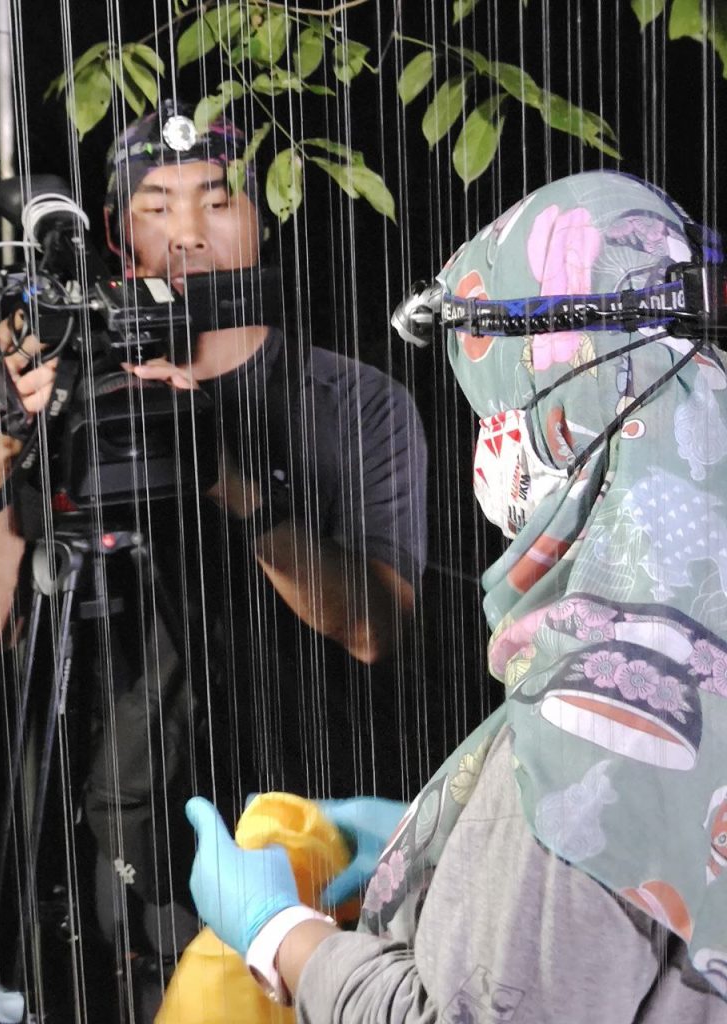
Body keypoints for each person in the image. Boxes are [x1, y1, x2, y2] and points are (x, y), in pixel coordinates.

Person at [185, 170, 727, 1022]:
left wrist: (278, 933)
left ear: (559, 402)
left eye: (492, 410)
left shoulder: (604, 713)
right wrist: (461, 835)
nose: (487, 443)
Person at [0, 101, 427, 1013]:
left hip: (316, 848)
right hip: (125, 872)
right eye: (155, 205)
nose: (186, 232)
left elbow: (376, 631)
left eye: (217, 200)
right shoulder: (65, 393)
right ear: (113, 234)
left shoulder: (355, 401)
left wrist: (226, 476)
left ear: (265, 213)